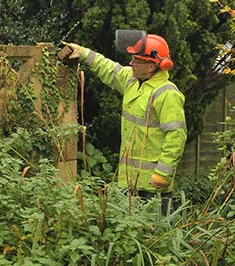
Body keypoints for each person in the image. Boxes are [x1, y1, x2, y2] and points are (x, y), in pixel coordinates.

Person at [62, 34, 187, 213]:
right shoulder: (132, 80)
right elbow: (108, 68)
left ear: (151, 66)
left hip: (153, 185)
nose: (131, 63)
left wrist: (162, 174)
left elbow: (176, 136)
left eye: (137, 60)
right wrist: (83, 53)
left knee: (154, 228)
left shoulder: (167, 94)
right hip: (128, 180)